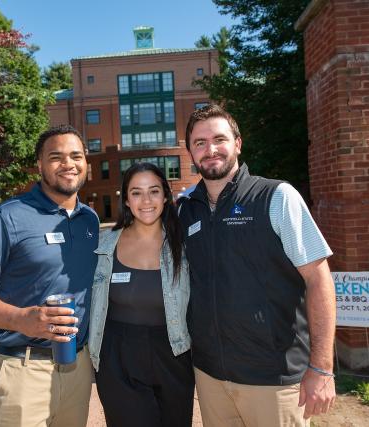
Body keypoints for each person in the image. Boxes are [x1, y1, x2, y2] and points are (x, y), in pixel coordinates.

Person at [177, 104, 337, 426]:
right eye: (200, 143)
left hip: (274, 380)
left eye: (219, 139)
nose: (211, 150)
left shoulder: (277, 197)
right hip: (211, 378)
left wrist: (321, 367)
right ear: (191, 154)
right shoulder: (184, 210)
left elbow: (319, 280)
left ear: (237, 143)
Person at [0, 124, 99, 427]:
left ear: (87, 162)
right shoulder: (5, 218)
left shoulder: (90, 220)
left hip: (78, 367)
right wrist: (20, 318)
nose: (68, 164)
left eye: (76, 156)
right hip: (20, 369)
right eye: (56, 157)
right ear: (39, 165)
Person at [88, 162, 194, 427]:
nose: (146, 200)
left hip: (174, 353)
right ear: (126, 199)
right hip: (118, 356)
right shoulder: (105, 245)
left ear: (166, 196)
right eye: (136, 192)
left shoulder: (186, 242)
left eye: (154, 191)